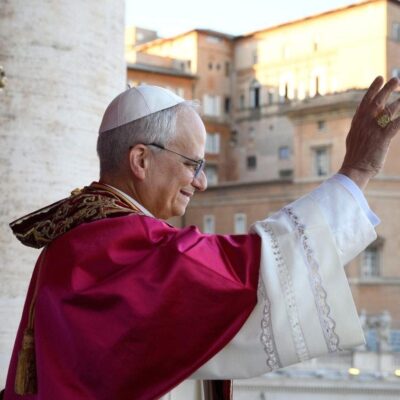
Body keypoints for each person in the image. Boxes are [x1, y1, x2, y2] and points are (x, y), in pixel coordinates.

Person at [2, 76, 400, 400]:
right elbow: (255, 271)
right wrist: (358, 170)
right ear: (141, 160)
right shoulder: (122, 243)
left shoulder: (76, 236)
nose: (202, 182)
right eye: (193, 164)